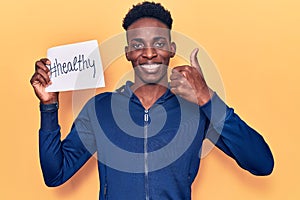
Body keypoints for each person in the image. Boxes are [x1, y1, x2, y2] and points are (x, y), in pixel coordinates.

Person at [30, 1, 274, 200]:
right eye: (138, 45)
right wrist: (49, 107)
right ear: (128, 52)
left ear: (171, 49)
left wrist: (206, 97)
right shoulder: (99, 109)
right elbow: (55, 174)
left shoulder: (197, 111)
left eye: (158, 43)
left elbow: (262, 163)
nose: (148, 53)